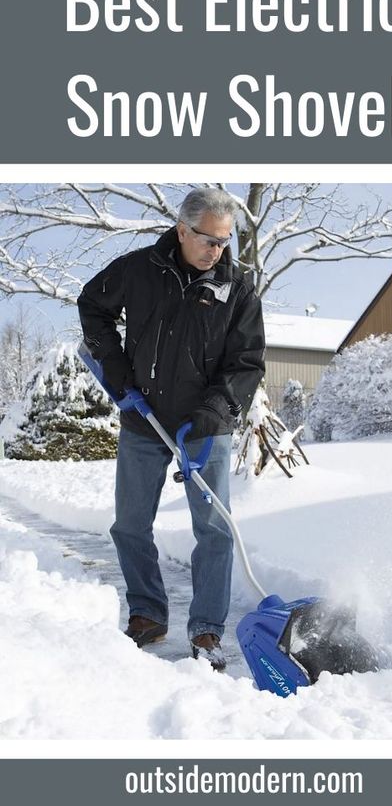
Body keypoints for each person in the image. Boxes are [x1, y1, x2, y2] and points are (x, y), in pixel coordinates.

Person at [78, 188, 265, 670]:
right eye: (208, 240)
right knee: (131, 523)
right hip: (143, 418)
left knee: (215, 531)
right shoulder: (139, 269)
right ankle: (147, 612)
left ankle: (206, 628)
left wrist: (217, 408)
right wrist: (116, 369)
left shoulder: (237, 288)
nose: (217, 251)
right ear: (182, 230)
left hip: (206, 426)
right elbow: (92, 306)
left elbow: (246, 362)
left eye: (226, 242)